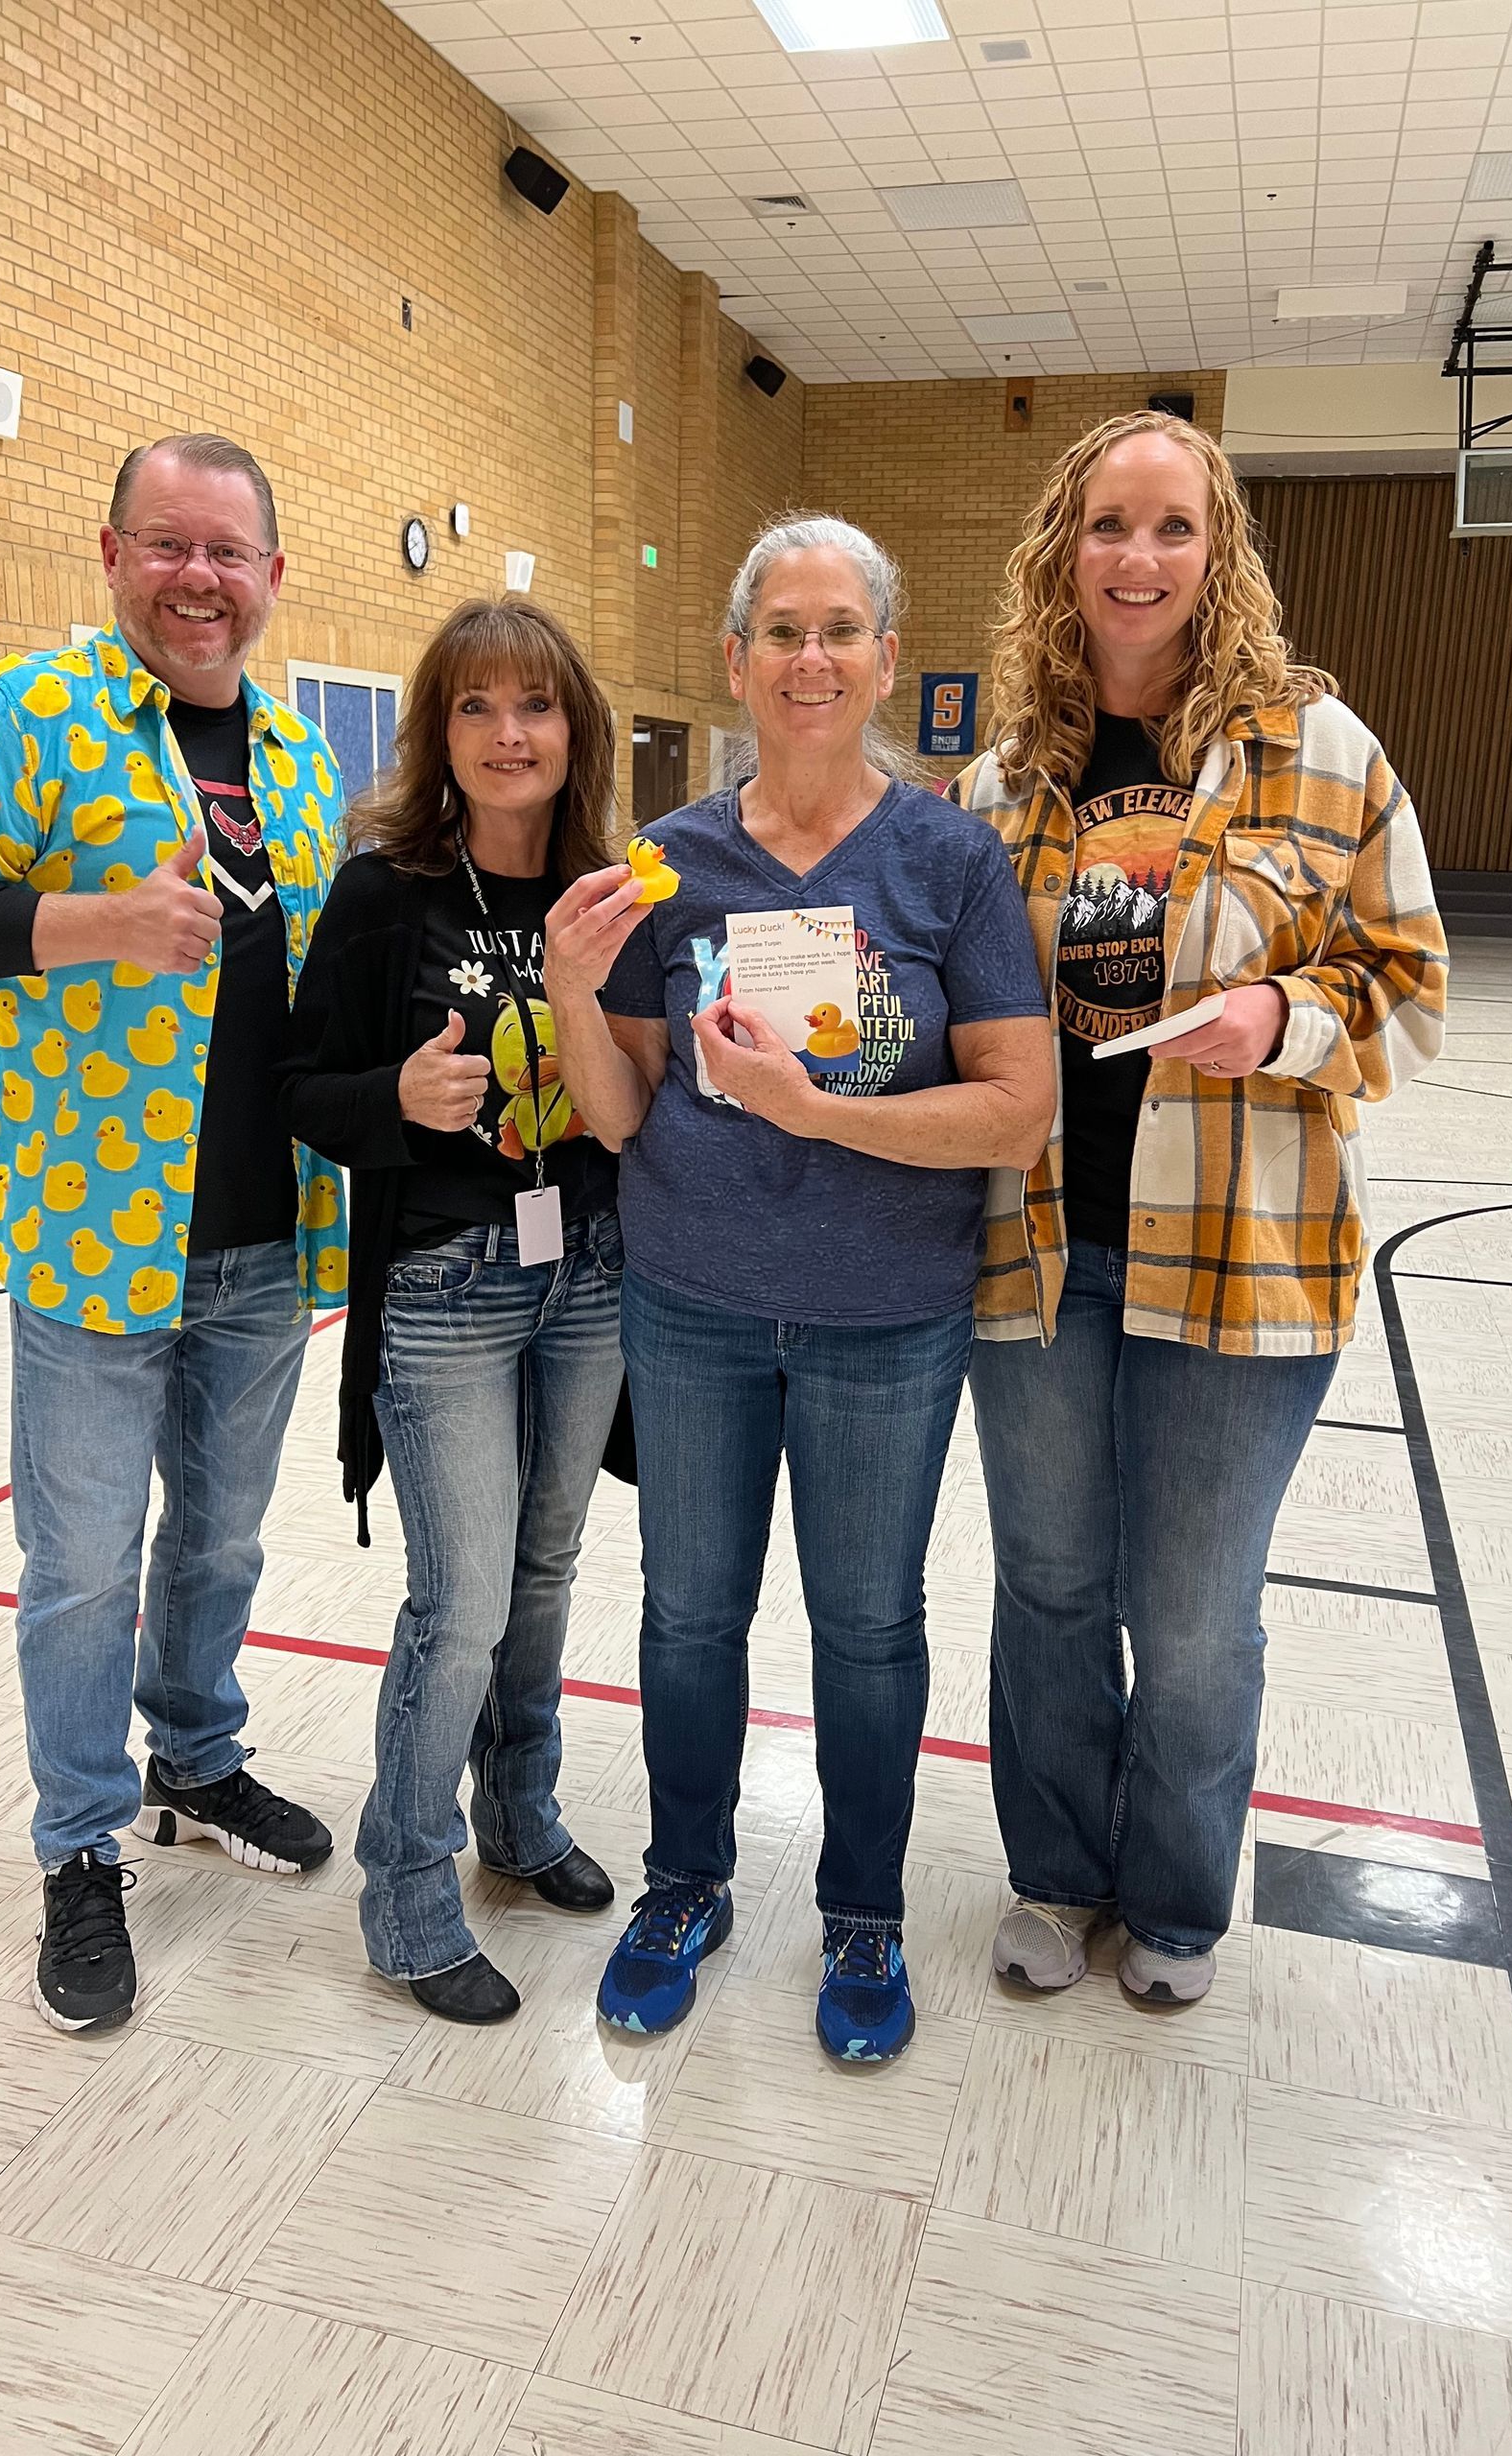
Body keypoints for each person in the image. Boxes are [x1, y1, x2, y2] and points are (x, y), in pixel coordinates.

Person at [0, 434, 348, 2034]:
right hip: (94, 1238)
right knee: (77, 1567)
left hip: (269, 1242)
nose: (199, 579)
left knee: (218, 1539)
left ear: (274, 576)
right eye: (169, 546)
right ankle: (79, 1845)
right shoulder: (25, 718)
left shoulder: (303, 757)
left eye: (230, 553)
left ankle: (194, 1762)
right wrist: (89, 926)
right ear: (115, 553)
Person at [952, 410, 1447, 2008]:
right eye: (1109, 525)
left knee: (1191, 1614)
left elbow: (1410, 995)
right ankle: (1053, 1871)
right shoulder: (1002, 777)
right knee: (1047, 1589)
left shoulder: (1326, 750)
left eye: (1174, 528)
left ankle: (1172, 1895)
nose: (1139, 558)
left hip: (1245, 1266)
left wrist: (1284, 1023)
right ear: (1064, 551)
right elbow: (937, 1000)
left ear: (1218, 551)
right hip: (1037, 1251)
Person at [545, 516, 1053, 2066]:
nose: (812, 657)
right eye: (783, 629)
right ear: (737, 659)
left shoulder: (952, 864)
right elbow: (623, 1111)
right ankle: (686, 1883)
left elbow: (1018, 1112)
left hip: (885, 1317)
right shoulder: (673, 863)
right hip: (689, 1301)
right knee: (690, 1614)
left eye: (843, 630)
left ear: (888, 658)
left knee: (867, 1626)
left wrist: (820, 1115)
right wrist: (575, 989)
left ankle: (864, 1908)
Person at [280, 599, 624, 2025]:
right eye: (476, 708)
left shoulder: (612, 887)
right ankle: (407, 1899)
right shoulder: (384, 894)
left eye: (533, 706)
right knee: (461, 1604)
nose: (507, 734)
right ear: (441, 732)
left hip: (590, 1276)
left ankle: (519, 1814)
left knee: (545, 1574)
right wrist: (398, 1104)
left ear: (573, 730)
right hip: (445, 1292)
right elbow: (300, 1090)